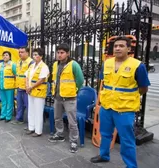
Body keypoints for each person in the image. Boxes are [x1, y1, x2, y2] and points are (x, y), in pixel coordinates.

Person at [90, 36, 150, 168]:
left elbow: (143, 88)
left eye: (121, 46)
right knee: (105, 134)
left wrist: (128, 97)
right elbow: (103, 83)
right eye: (116, 46)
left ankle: (131, 165)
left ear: (128, 49)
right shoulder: (107, 63)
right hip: (106, 106)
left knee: (127, 139)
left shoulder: (137, 66)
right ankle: (104, 155)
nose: (117, 48)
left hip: (125, 109)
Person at [48, 44, 84, 153]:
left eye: (62, 52)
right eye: (58, 52)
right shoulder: (55, 64)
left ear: (67, 53)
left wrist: (74, 90)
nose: (59, 55)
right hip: (58, 96)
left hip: (70, 98)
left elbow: (80, 80)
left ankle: (73, 141)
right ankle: (59, 134)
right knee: (57, 117)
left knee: (72, 121)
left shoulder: (73, 65)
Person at [25, 48, 50, 137]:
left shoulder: (44, 66)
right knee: (31, 110)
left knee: (38, 111)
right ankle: (31, 127)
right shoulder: (31, 66)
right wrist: (27, 86)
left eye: (36, 55)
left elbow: (41, 79)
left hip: (39, 92)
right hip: (30, 91)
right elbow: (27, 76)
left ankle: (38, 131)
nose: (34, 56)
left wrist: (31, 87)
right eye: (34, 55)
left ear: (41, 56)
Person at [11, 47, 33, 125]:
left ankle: (31, 123)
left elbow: (31, 76)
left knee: (28, 106)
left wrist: (28, 87)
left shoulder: (31, 62)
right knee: (19, 104)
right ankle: (19, 119)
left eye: (22, 52)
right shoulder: (18, 61)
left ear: (27, 53)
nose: (20, 54)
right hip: (19, 86)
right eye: (19, 52)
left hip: (27, 88)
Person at [0, 51, 16, 122]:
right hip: (1, 86)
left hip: (10, 87)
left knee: (9, 102)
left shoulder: (12, 64)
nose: (5, 56)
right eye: (4, 55)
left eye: (7, 55)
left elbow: (15, 75)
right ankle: (3, 115)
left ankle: (8, 116)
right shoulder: (0, 64)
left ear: (10, 57)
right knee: (3, 102)